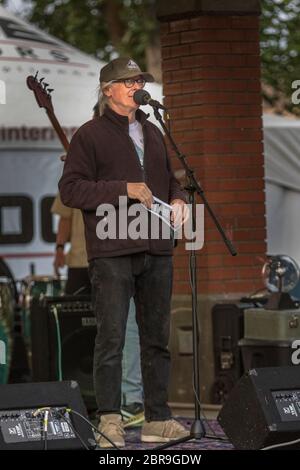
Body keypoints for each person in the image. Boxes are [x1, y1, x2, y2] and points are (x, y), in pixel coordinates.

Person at [59, 57, 189, 448]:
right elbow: (71, 190)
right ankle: (111, 421)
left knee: (156, 339)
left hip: (156, 246)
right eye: (128, 81)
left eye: (139, 80)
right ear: (108, 90)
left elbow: (171, 181)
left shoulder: (153, 131)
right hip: (113, 249)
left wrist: (179, 199)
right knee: (112, 338)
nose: (136, 86)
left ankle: (157, 419)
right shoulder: (90, 135)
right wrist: (124, 188)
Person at [51, 193, 144, 426]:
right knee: (86, 330)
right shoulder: (75, 174)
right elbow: (65, 215)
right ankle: (91, 396)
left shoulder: (114, 171)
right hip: (87, 258)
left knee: (118, 327)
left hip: (109, 257)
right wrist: (60, 247)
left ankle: (126, 399)